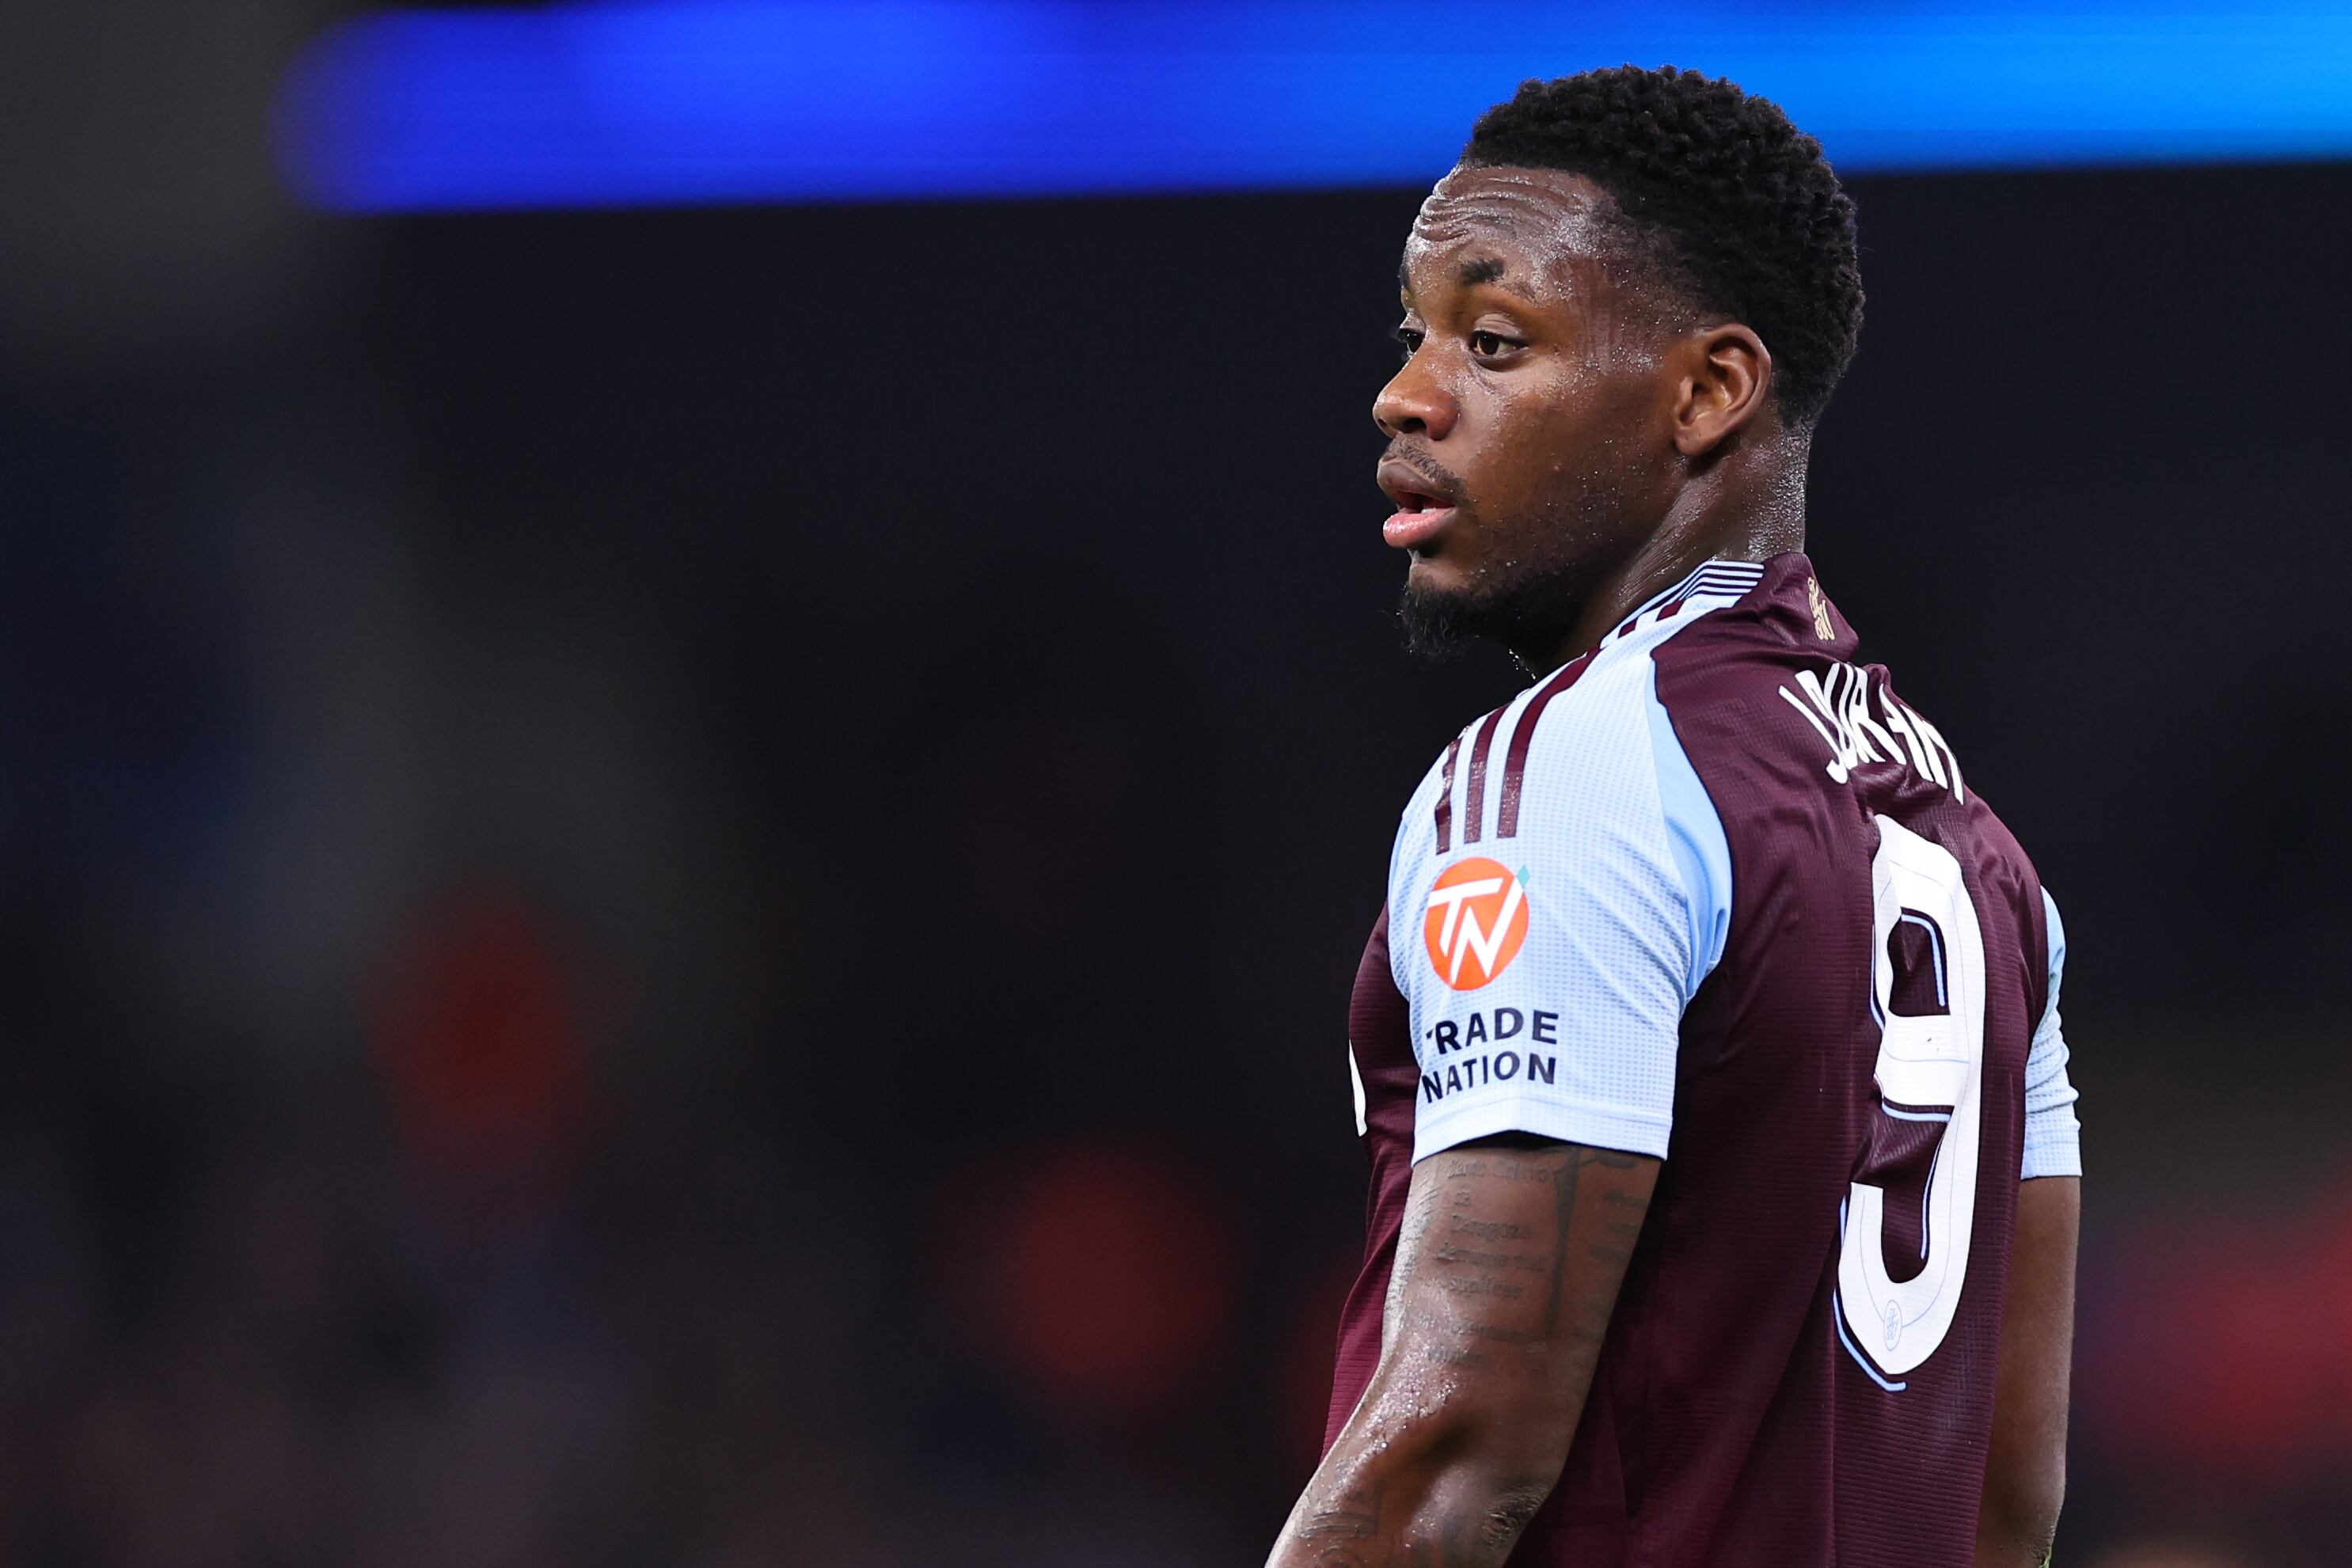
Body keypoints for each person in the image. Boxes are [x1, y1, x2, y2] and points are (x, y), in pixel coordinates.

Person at [1267, 66, 2080, 1568]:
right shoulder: (1981, 851)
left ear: (1710, 393)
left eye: (1494, 341)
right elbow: (2005, 1495)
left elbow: (1458, 1447)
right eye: (1417, 333)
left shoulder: (1577, 772)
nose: (1405, 393)